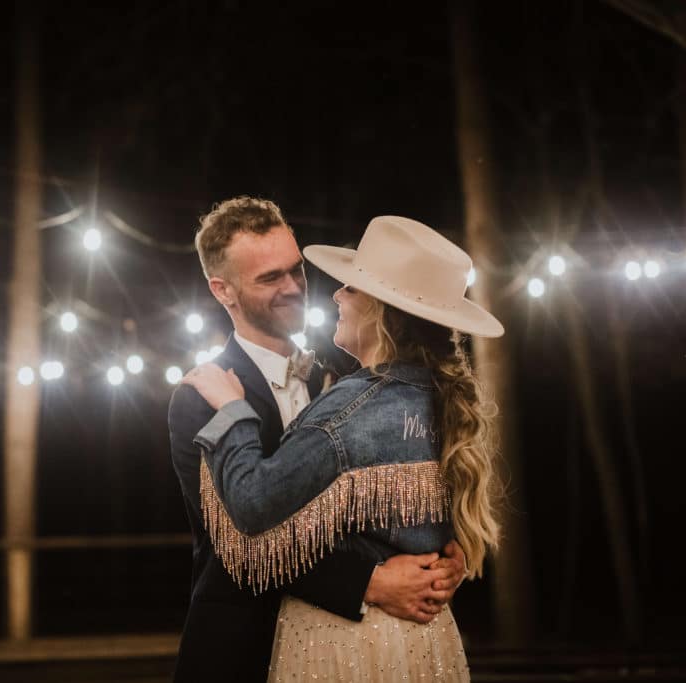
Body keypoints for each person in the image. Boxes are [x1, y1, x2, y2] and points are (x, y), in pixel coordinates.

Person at [182, 214, 503, 681]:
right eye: (271, 276)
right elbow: (229, 543)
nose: (304, 288)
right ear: (222, 290)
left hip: (342, 645)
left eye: (297, 271)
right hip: (246, 645)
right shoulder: (197, 396)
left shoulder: (346, 388)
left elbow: (250, 506)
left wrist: (435, 564)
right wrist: (378, 579)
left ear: (379, 308)